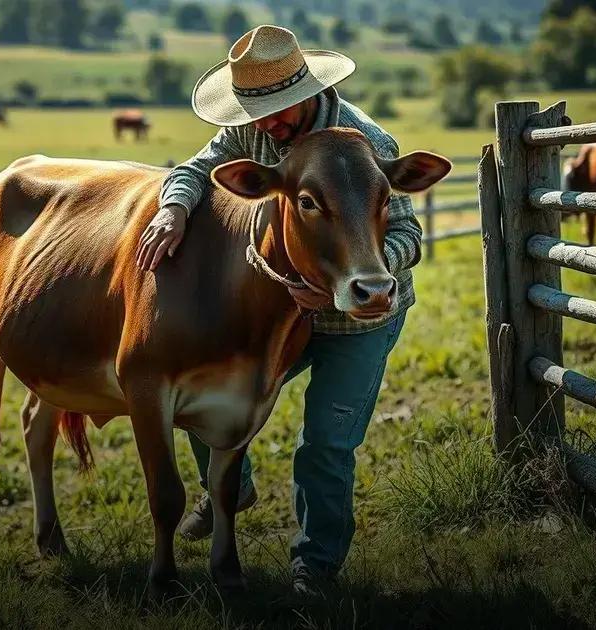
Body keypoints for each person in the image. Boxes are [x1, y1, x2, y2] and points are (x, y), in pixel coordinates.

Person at [135, 24, 423, 594]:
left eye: (278, 109)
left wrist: (350, 281)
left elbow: (409, 237)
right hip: (281, 313)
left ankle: (313, 570)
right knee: (201, 399)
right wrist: (172, 210)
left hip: (357, 316)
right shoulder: (251, 132)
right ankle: (229, 489)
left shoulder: (366, 145)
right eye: (256, 111)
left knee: (325, 444)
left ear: (307, 91)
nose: (267, 124)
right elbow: (196, 169)